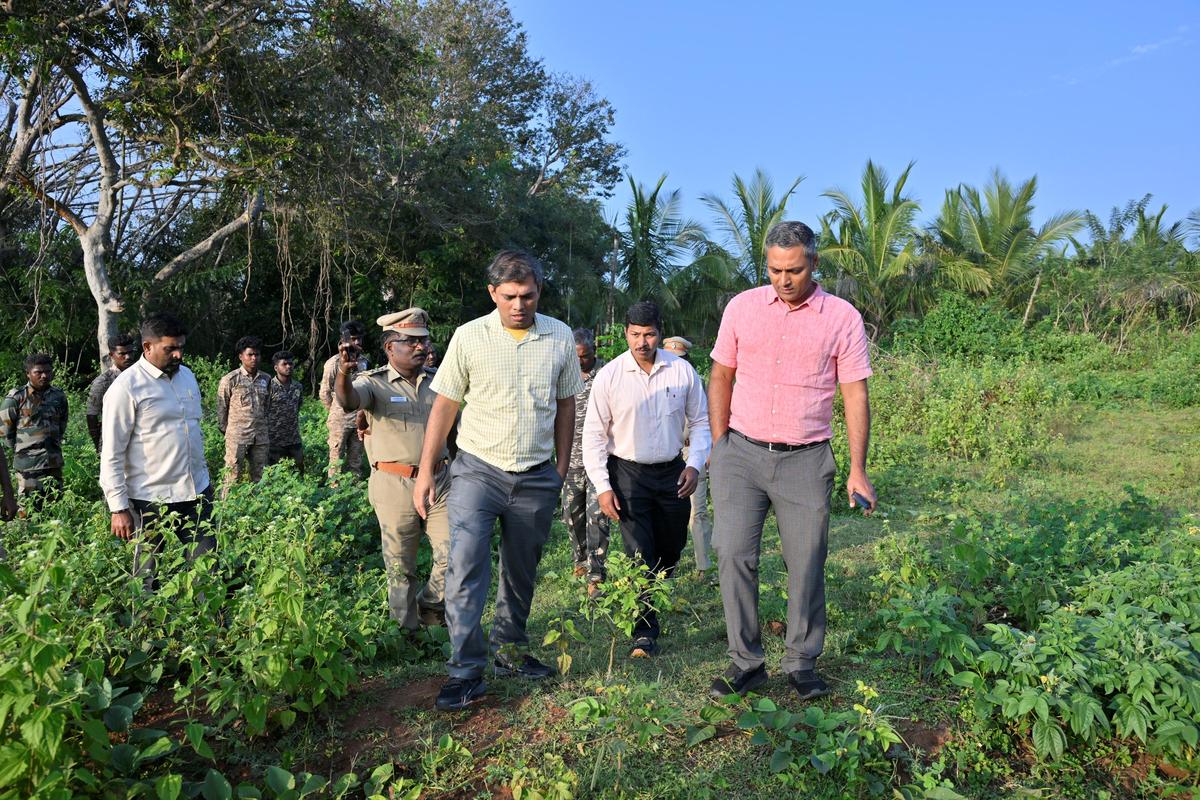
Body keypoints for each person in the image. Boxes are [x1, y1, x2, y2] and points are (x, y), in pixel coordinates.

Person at [707, 221, 876, 702]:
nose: (784, 279)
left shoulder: (841, 317)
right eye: (776, 269)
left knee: (806, 562)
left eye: (795, 270)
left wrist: (857, 468)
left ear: (814, 264)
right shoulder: (742, 307)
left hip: (805, 458)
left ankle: (802, 660)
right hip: (740, 454)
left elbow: (855, 394)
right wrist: (721, 445)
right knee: (733, 554)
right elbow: (720, 375)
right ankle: (747, 663)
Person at [413, 249, 583, 711]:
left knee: (521, 570)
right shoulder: (469, 337)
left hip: (534, 474)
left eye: (527, 296)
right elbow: (445, 405)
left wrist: (561, 467)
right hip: (477, 471)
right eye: (509, 296)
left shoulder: (559, 337)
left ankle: (509, 651)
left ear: (539, 292)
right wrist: (427, 470)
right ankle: (466, 671)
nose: (519, 305)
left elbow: (566, 403)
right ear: (493, 293)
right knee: (466, 566)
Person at [583, 303, 711, 657]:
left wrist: (694, 464)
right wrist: (603, 487)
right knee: (640, 551)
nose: (642, 342)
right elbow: (593, 436)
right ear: (625, 332)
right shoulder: (610, 376)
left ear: (659, 331)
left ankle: (655, 591)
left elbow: (701, 422)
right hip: (628, 474)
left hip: (673, 472)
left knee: (671, 549)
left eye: (650, 334)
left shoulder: (682, 371)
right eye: (635, 334)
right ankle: (644, 630)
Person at [335, 308, 450, 630]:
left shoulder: (440, 382)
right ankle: (406, 632)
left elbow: (452, 431)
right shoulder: (374, 384)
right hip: (394, 484)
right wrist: (344, 372)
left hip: (441, 480)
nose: (421, 347)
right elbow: (347, 401)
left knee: (454, 553)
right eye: (411, 341)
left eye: (423, 340)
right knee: (401, 566)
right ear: (389, 348)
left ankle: (430, 609)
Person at [100, 312, 215, 591]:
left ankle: (209, 626)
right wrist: (118, 508)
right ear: (147, 347)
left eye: (181, 347)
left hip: (196, 491)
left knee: (207, 565)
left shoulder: (187, 377)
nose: (178, 355)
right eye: (170, 349)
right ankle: (145, 627)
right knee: (147, 573)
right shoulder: (126, 388)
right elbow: (112, 453)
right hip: (150, 498)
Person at [561, 327, 609, 595]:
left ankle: (596, 572)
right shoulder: (563, 374)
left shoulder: (606, 374)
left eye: (586, 356)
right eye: (576, 356)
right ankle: (579, 560)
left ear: (594, 352)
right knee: (571, 515)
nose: (581, 361)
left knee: (597, 516)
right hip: (570, 460)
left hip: (600, 459)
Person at [663, 335, 715, 576]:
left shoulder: (696, 381)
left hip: (691, 449)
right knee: (666, 512)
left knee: (698, 510)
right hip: (664, 454)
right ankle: (666, 568)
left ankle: (703, 565)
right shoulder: (652, 382)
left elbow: (706, 419)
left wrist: (708, 450)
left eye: (680, 358)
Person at [1, 353, 69, 509]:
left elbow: (62, 424)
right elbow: (4, 432)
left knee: (55, 510)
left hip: (53, 464)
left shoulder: (59, 396)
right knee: (28, 511)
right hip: (28, 467)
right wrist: (23, 451)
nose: (44, 376)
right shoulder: (16, 398)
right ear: (28, 374)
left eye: (48, 371)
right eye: (38, 372)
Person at [217, 336, 272, 496]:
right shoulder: (230, 379)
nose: (254, 358)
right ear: (241, 356)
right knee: (232, 476)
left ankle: (258, 512)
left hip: (260, 437)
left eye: (257, 354)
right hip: (237, 436)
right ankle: (225, 511)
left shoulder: (266, 379)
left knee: (261, 476)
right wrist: (228, 432)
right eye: (250, 354)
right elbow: (222, 409)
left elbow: (267, 406)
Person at [321, 321, 369, 481]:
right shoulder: (333, 363)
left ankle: (353, 492)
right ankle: (334, 495)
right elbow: (325, 393)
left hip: (359, 420)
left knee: (355, 461)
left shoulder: (364, 362)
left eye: (359, 339)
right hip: (339, 421)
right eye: (354, 338)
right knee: (336, 462)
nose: (357, 343)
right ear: (343, 340)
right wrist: (335, 413)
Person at [86, 333, 139, 452]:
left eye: (130, 352)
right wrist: (98, 445)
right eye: (122, 354)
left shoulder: (140, 377)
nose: (128, 357)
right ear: (112, 355)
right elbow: (91, 415)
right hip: (112, 443)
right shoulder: (103, 382)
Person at [267, 350, 305, 474]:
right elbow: (263, 410)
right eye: (285, 364)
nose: (288, 366)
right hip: (274, 440)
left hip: (294, 438)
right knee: (275, 475)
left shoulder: (298, 386)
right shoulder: (269, 386)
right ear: (276, 367)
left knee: (299, 470)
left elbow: (298, 406)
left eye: (290, 364)